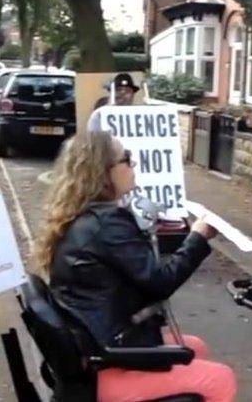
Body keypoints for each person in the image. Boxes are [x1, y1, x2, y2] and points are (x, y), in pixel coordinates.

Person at [33, 131, 238, 402]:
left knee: (196, 347)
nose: (133, 165)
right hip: (108, 363)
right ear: (103, 172)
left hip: (96, 348)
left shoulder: (83, 217)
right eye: (127, 159)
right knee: (220, 379)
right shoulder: (108, 223)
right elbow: (160, 282)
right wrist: (198, 237)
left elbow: (130, 275)